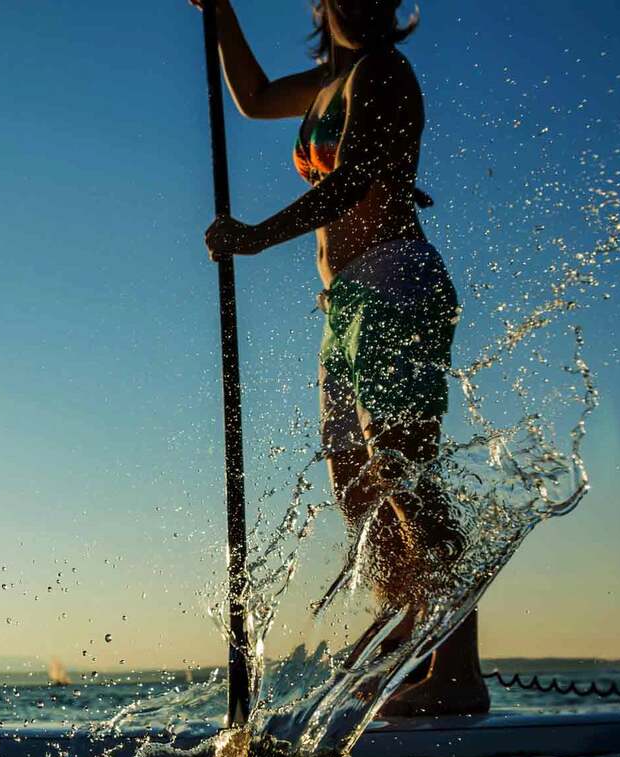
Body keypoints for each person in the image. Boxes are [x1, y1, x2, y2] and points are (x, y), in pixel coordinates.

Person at [191, 0, 488, 715]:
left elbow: (353, 179)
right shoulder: (329, 82)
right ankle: (412, 632)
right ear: (323, 6)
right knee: (360, 493)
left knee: (403, 475)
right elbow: (256, 98)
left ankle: (458, 671)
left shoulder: (383, 73)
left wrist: (257, 237)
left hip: (396, 282)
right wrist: (221, 10)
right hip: (343, 306)